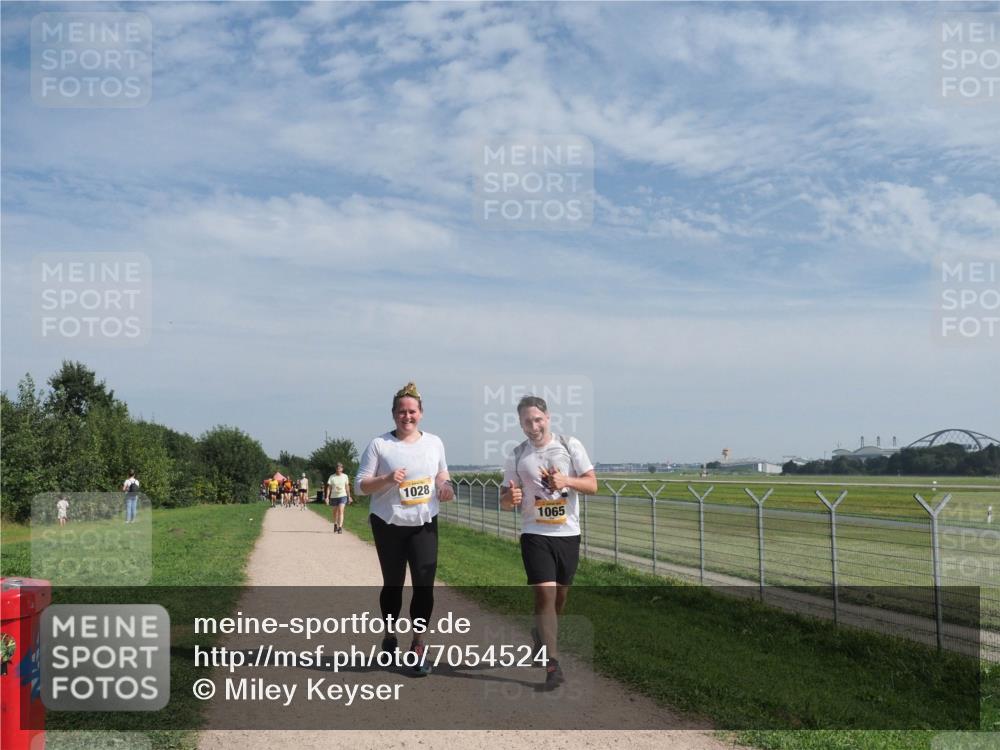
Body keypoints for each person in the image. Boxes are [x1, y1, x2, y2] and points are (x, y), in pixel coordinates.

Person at [356, 382, 454, 675]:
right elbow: (360, 486)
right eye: (401, 411)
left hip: (424, 522)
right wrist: (386, 479)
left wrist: (445, 486)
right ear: (393, 414)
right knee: (394, 584)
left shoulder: (434, 442)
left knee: (424, 584)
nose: (406, 416)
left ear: (421, 413)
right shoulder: (380, 444)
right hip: (388, 523)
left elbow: (441, 473)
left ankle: (419, 645)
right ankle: (389, 636)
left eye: (412, 411)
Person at [500, 395, 597, 690]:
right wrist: (509, 499)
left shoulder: (570, 445)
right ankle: (553, 664)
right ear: (520, 424)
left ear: (548, 417)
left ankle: (540, 635)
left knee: (559, 600)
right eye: (527, 421)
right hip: (534, 533)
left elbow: (592, 485)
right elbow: (505, 499)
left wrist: (566, 481)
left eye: (538, 419)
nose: (533, 426)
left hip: (567, 534)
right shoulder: (517, 455)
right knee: (545, 594)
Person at [325, 463, 353, 533]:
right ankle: (335, 524)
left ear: (342, 469)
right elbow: (329, 487)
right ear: (336, 469)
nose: (338, 469)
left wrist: (349, 496)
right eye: (337, 468)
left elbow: (347, 487)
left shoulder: (345, 476)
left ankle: (340, 527)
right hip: (334, 496)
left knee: (341, 511)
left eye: (340, 468)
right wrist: (327, 497)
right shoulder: (332, 477)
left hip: (343, 496)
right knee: (335, 512)